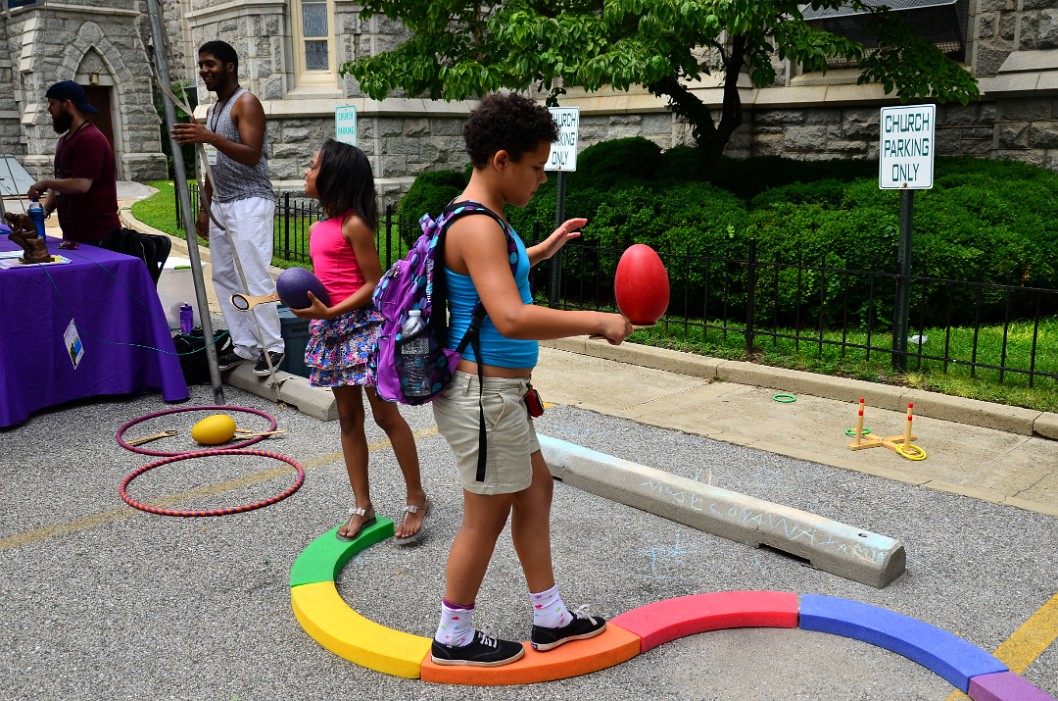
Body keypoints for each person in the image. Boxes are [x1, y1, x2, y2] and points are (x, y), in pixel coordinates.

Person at [428, 93, 633, 667]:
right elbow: (511, 316)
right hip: (484, 398)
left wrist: (540, 250)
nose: (542, 178)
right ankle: (453, 634)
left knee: (536, 490)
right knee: (485, 514)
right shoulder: (478, 227)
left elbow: (493, 279)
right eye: (537, 166)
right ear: (501, 160)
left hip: (500, 395)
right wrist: (597, 321)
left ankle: (550, 618)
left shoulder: (485, 219)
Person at [291, 139, 430, 544]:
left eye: (313, 166)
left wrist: (332, 311)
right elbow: (325, 279)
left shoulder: (355, 224)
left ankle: (417, 497)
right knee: (349, 420)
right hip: (331, 333)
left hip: (362, 331)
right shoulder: (317, 227)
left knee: (386, 417)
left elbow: (373, 283)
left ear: (333, 177)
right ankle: (362, 505)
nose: (306, 171)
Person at [171, 40, 284, 376]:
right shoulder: (215, 108)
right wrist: (206, 207)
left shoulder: (245, 102)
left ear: (229, 67)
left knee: (253, 274)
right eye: (201, 64)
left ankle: (272, 346)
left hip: (250, 200)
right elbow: (213, 163)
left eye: (211, 64)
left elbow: (251, 154)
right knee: (223, 275)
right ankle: (244, 344)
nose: (204, 70)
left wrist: (209, 137)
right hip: (221, 203)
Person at [27, 81, 120, 246]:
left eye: (52, 104)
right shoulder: (65, 140)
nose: (49, 110)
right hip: (74, 234)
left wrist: (45, 183)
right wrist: (45, 210)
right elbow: (61, 181)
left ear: (67, 104)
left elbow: (81, 184)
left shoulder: (90, 139)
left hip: (99, 237)